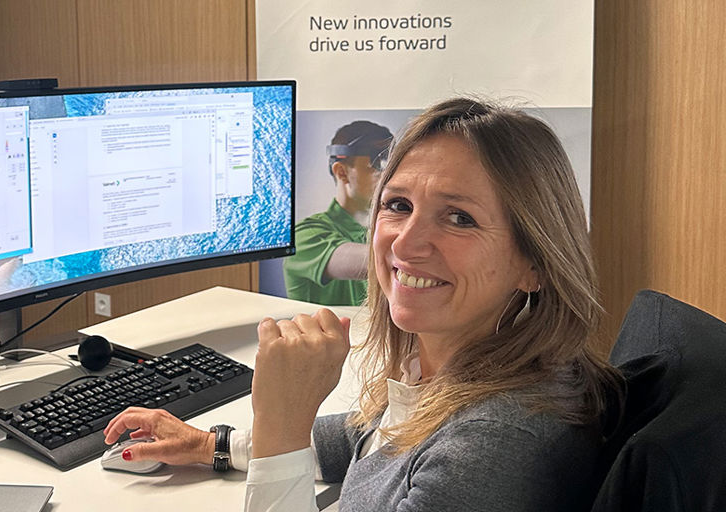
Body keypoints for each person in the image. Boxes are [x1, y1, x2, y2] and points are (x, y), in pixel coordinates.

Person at [103, 98, 623, 511]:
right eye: (398, 205)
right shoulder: (466, 372)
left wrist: (282, 426)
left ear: (535, 261)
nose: (404, 243)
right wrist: (212, 444)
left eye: (459, 217)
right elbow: (369, 438)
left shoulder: (492, 447)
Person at [282, 120, 392, 306]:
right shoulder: (304, 237)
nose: (387, 176)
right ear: (341, 172)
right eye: (377, 164)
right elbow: (378, 261)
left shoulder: (388, 230)